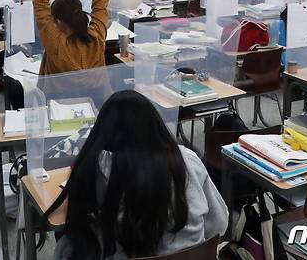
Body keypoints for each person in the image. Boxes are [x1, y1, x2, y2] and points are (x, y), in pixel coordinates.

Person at [45, 90, 228, 260]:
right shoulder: (187, 159)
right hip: (192, 256)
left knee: (67, 244)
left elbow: (81, 227)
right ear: (156, 124)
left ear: (104, 131)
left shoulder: (98, 167)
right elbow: (220, 223)